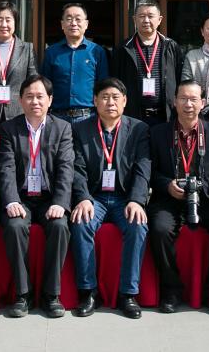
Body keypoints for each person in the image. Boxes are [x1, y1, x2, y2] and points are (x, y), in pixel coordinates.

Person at [147, 79, 209, 316]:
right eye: (183, 99)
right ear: (174, 102)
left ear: (202, 103)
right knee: (160, 229)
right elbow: (149, 172)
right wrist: (166, 185)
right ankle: (171, 291)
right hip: (169, 199)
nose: (188, 104)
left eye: (194, 99)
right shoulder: (158, 133)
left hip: (205, 199)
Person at [69, 78, 150, 319]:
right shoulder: (80, 129)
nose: (110, 102)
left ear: (125, 101)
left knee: (138, 225)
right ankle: (88, 292)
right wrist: (83, 197)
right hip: (94, 197)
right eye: (104, 97)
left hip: (124, 198)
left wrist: (137, 200)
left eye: (116, 97)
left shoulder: (138, 129)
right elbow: (76, 169)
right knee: (81, 222)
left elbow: (143, 168)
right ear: (95, 101)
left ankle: (128, 294)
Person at [0, 75, 75, 318]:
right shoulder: (9, 128)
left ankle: (52, 295)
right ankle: (24, 294)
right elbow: (6, 168)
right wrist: (11, 200)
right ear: (20, 100)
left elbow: (66, 168)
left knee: (60, 226)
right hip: (21, 197)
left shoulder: (62, 128)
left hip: (49, 198)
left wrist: (60, 203)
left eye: (40, 96)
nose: (35, 102)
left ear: (50, 100)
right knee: (14, 226)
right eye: (29, 96)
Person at [113, 0, 184, 127]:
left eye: (150, 16)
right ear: (134, 19)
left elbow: (180, 79)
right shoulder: (123, 48)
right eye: (141, 16)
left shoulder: (171, 46)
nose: (146, 20)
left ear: (160, 19)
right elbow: (115, 82)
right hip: (133, 116)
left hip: (166, 116)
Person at [41, 3, 109, 123]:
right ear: (62, 24)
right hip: (57, 117)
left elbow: (103, 85)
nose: (73, 23)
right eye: (69, 19)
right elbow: (45, 85)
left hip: (88, 117)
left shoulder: (97, 51)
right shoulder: (51, 52)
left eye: (78, 19)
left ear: (86, 24)